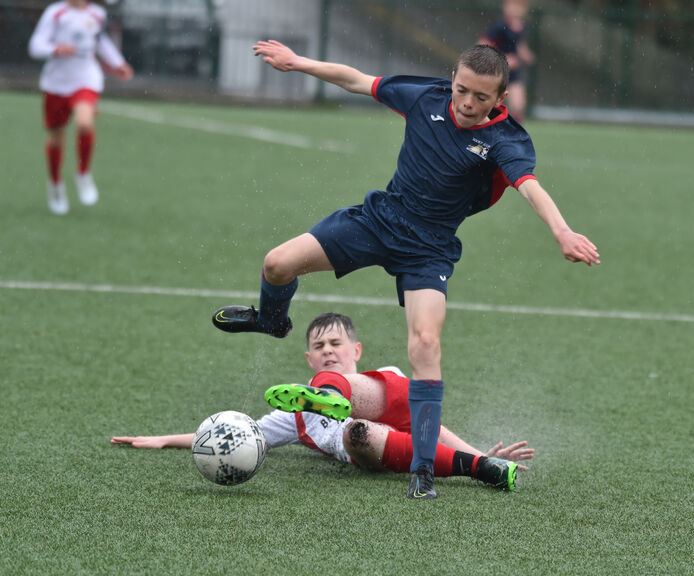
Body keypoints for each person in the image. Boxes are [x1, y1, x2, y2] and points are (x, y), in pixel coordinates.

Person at [211, 40, 599, 499]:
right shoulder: (426, 96)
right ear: (451, 81)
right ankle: (273, 321)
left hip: (429, 250)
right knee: (277, 264)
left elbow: (529, 186)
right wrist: (298, 64)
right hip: (379, 220)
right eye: (462, 90)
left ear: (501, 98)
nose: (467, 103)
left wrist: (561, 231)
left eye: (480, 97)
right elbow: (357, 80)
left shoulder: (504, 138)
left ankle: (423, 470)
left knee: (426, 344)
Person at [112, 313, 534, 493]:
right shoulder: (293, 415)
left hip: (381, 399)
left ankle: (333, 395)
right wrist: (165, 440)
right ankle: (484, 471)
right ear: (309, 359)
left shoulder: (383, 372)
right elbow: (238, 435)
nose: (329, 348)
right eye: (319, 345)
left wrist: (474, 446)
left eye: (337, 342)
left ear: (357, 349)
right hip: (369, 442)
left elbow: (430, 426)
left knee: (385, 398)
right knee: (357, 434)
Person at [28, 0, 134, 215]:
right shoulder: (56, 12)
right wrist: (56, 48)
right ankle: (56, 184)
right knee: (57, 137)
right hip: (56, 82)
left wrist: (118, 63)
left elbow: (100, 41)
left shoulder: (97, 14)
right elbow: (36, 45)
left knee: (85, 123)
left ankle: (83, 173)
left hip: (85, 78)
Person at [479, 0, 536, 122]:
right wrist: (503, 58)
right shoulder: (500, 26)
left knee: (519, 104)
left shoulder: (522, 26)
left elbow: (519, 45)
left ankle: (515, 132)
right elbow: (483, 44)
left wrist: (525, 54)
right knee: (493, 103)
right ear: (505, 7)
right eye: (512, 6)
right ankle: (488, 126)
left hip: (513, 72)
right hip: (497, 72)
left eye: (519, 7)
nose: (516, 10)